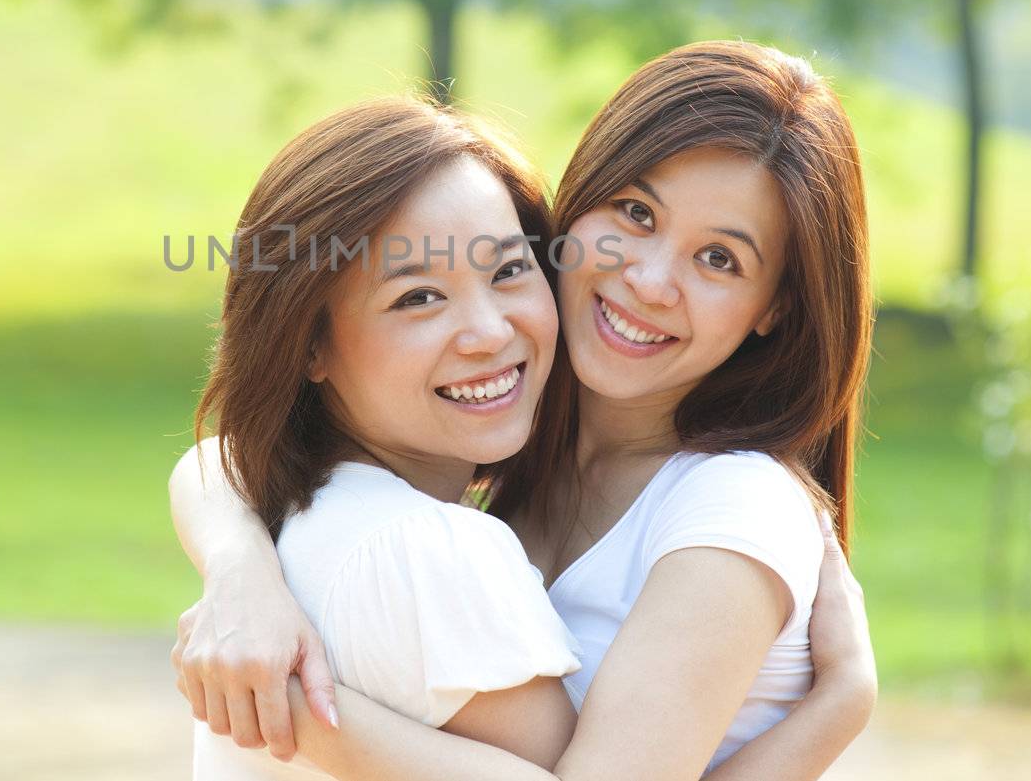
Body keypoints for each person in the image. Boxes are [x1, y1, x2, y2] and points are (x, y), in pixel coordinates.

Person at [174, 41, 879, 780]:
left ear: (776, 307)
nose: (649, 280)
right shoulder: (507, 442)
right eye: (636, 212)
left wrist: (294, 711)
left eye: (719, 259)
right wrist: (238, 569)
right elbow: (222, 459)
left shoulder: (734, 505)